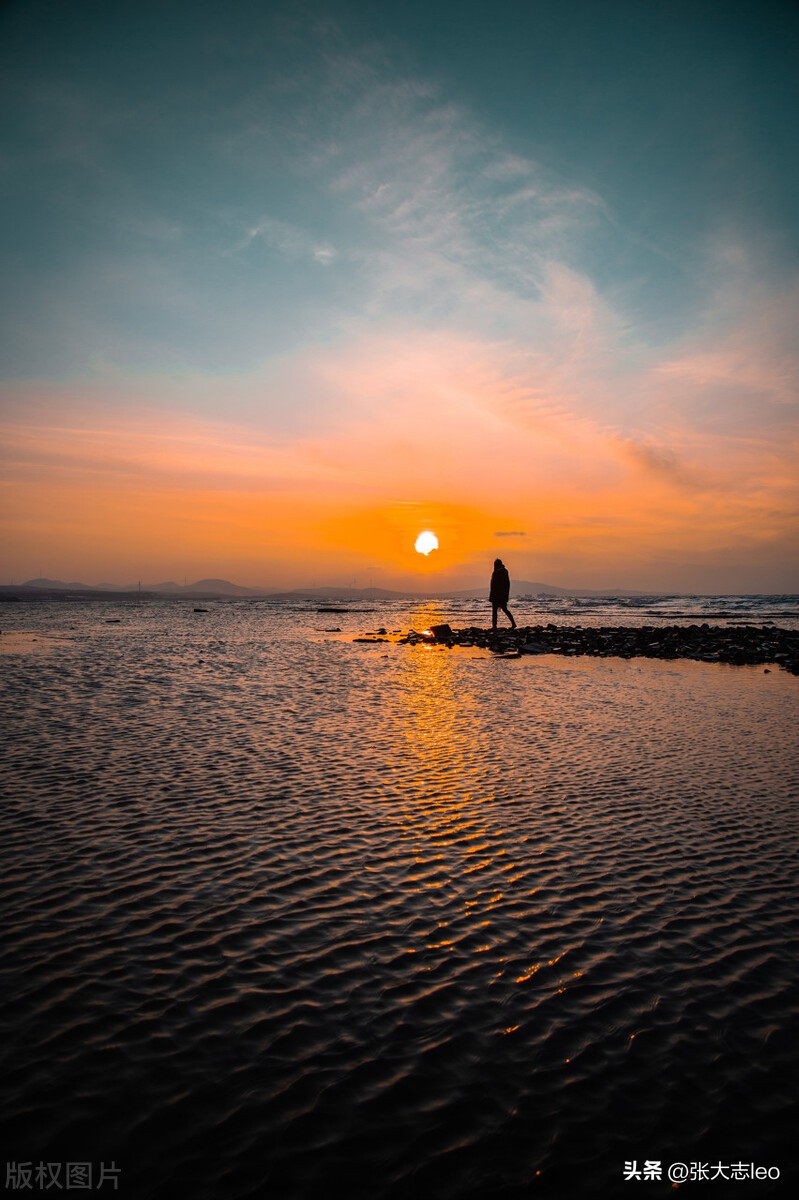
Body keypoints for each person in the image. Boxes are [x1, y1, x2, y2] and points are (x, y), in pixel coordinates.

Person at [490, 558, 516, 630]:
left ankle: (512, 623)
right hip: (498, 595)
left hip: (499, 595)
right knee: (500, 610)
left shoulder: (502, 572)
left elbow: (505, 584)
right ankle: (495, 626)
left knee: (498, 610)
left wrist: (504, 595)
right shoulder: (499, 572)